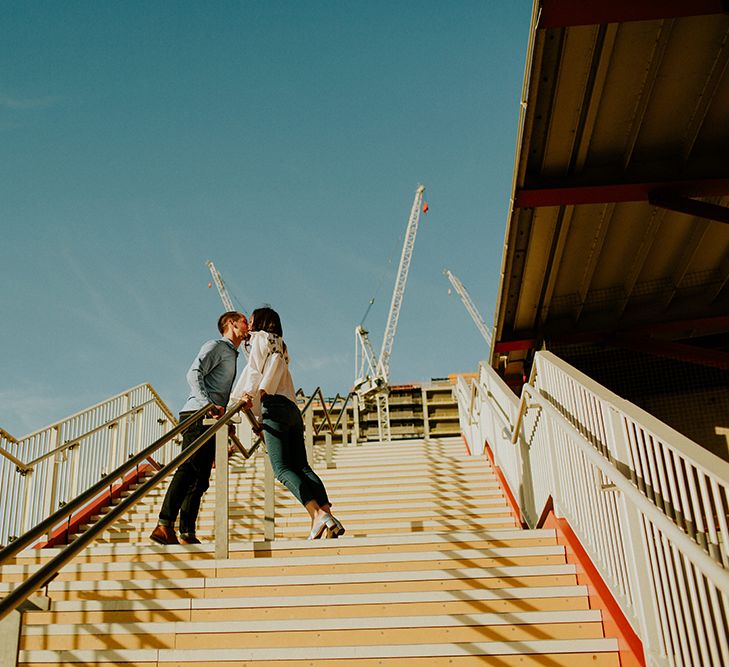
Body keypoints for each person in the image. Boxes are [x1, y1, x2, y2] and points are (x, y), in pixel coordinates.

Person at [231, 306, 345, 539]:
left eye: (251, 320)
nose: (249, 325)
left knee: (282, 469)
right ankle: (327, 515)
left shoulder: (258, 339)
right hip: (292, 408)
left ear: (260, 321)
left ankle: (316, 514)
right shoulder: (281, 344)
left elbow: (254, 370)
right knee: (302, 467)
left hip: (273, 406)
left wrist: (246, 396)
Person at [150, 311, 249, 546]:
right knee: (189, 468)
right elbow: (193, 373)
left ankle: (186, 532)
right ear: (232, 324)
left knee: (201, 478)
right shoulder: (216, 346)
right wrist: (208, 405)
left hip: (213, 419)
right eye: (245, 321)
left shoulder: (233, 355)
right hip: (197, 414)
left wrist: (223, 419)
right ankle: (164, 524)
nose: (248, 325)